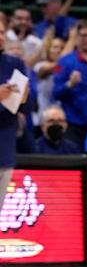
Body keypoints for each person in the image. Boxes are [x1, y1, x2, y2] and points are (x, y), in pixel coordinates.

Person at [0, 40, 29, 212]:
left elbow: (27, 107)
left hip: (4, 147)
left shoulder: (15, 63)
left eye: (2, 31)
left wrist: (24, 98)